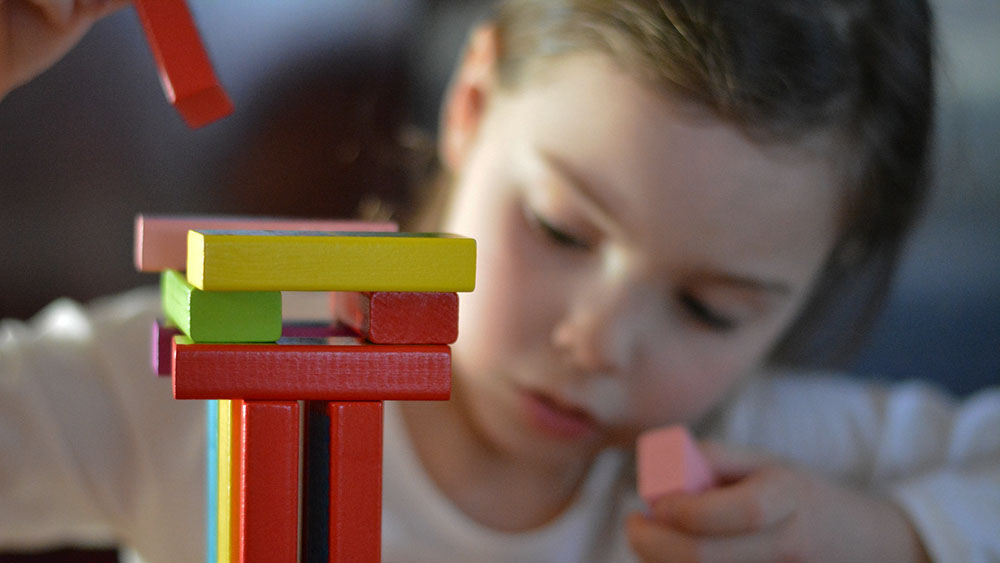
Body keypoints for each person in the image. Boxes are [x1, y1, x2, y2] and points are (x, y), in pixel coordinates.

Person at [1, 1, 998, 562]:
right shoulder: (223, 372)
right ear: (471, 104)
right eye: (560, 229)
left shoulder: (755, 464)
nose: (598, 340)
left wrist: (888, 534)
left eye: (710, 306)